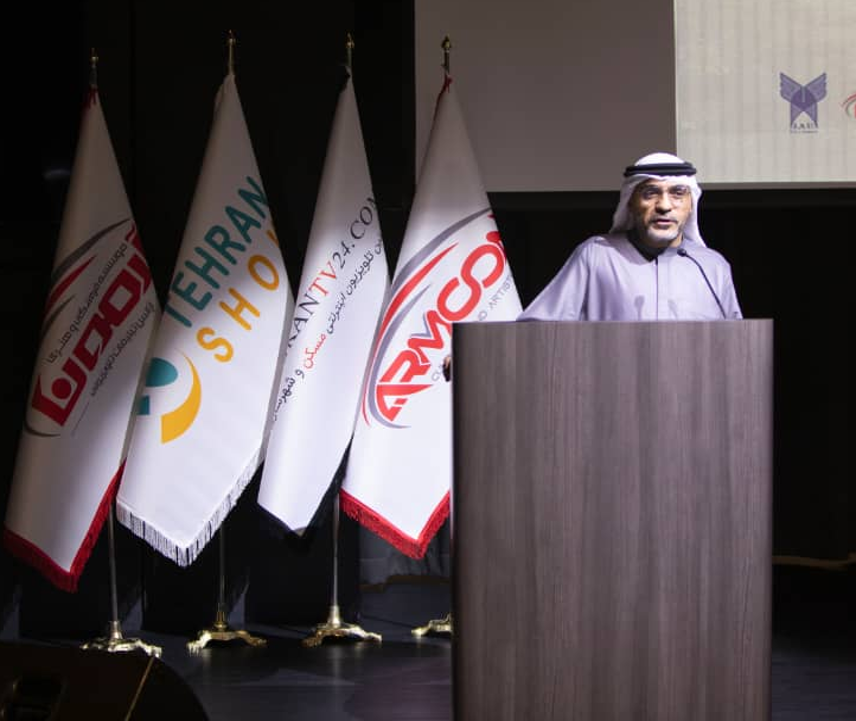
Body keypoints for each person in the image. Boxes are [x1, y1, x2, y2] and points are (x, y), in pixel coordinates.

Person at [518, 152, 742, 321]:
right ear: (631, 203)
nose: (664, 206)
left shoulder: (712, 266)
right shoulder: (597, 255)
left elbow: (736, 341)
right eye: (650, 193)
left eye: (677, 194)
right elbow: (539, 331)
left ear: (691, 205)